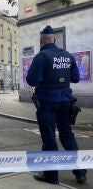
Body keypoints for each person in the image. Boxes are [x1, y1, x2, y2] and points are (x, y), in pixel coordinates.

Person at [26, 25, 87, 184]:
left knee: (49, 138)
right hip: (66, 102)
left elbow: (32, 80)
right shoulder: (67, 55)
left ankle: (51, 175)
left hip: (47, 103)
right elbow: (75, 78)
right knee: (67, 135)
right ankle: (80, 171)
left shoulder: (42, 57)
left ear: (41, 41)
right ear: (54, 39)